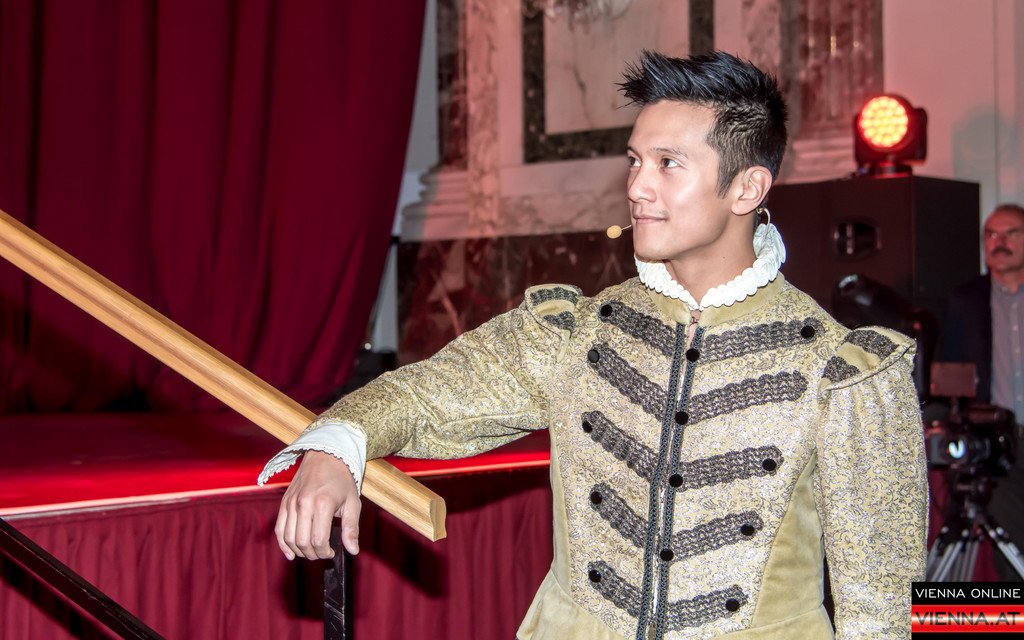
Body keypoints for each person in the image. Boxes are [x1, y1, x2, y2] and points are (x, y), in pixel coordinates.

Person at [259, 51, 927, 639]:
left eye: (669, 165)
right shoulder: (574, 333)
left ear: (747, 188)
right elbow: (425, 394)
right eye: (635, 161)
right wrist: (337, 445)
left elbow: (885, 607)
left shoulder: (844, 373)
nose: (637, 187)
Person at [940, 203, 1024, 582]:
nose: (999, 242)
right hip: (997, 444)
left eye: (1011, 233)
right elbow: (950, 373)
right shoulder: (966, 300)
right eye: (991, 234)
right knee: (1011, 541)